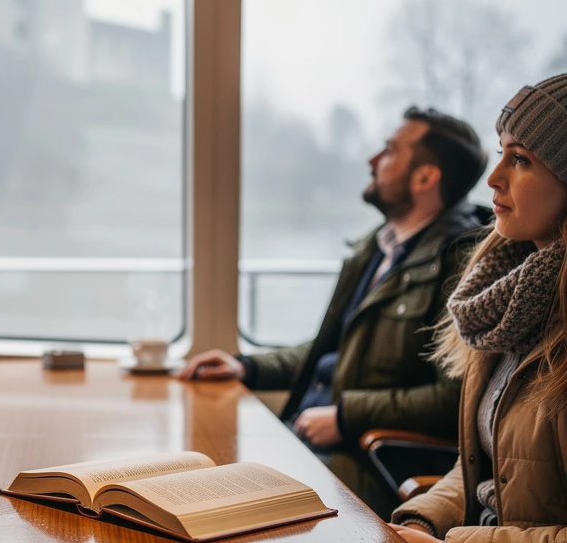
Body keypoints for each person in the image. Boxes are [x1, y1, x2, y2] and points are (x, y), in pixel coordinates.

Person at [187, 76, 567, 543]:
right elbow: (477, 466)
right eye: (501, 152)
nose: (494, 178)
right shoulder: (513, 298)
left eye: (523, 160)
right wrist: (419, 519)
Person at [180, 107, 490, 516]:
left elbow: (456, 399)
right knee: (194, 467)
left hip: (363, 458)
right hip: (312, 437)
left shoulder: (461, 264)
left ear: (425, 177)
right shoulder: (376, 249)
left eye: (390, 151)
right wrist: (247, 367)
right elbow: (336, 350)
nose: (373, 161)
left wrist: (346, 417)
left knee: (214, 507)